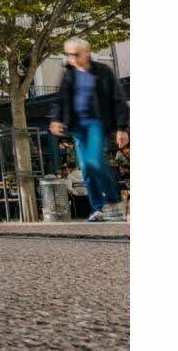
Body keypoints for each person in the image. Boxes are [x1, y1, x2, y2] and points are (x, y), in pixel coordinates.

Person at [48, 38, 129, 222]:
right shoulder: (69, 74)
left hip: (97, 123)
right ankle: (99, 208)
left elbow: (118, 100)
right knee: (85, 168)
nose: (71, 58)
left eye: (75, 54)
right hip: (77, 126)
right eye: (68, 54)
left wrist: (121, 128)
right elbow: (60, 100)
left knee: (93, 161)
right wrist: (56, 120)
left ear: (87, 53)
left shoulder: (103, 72)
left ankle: (113, 202)